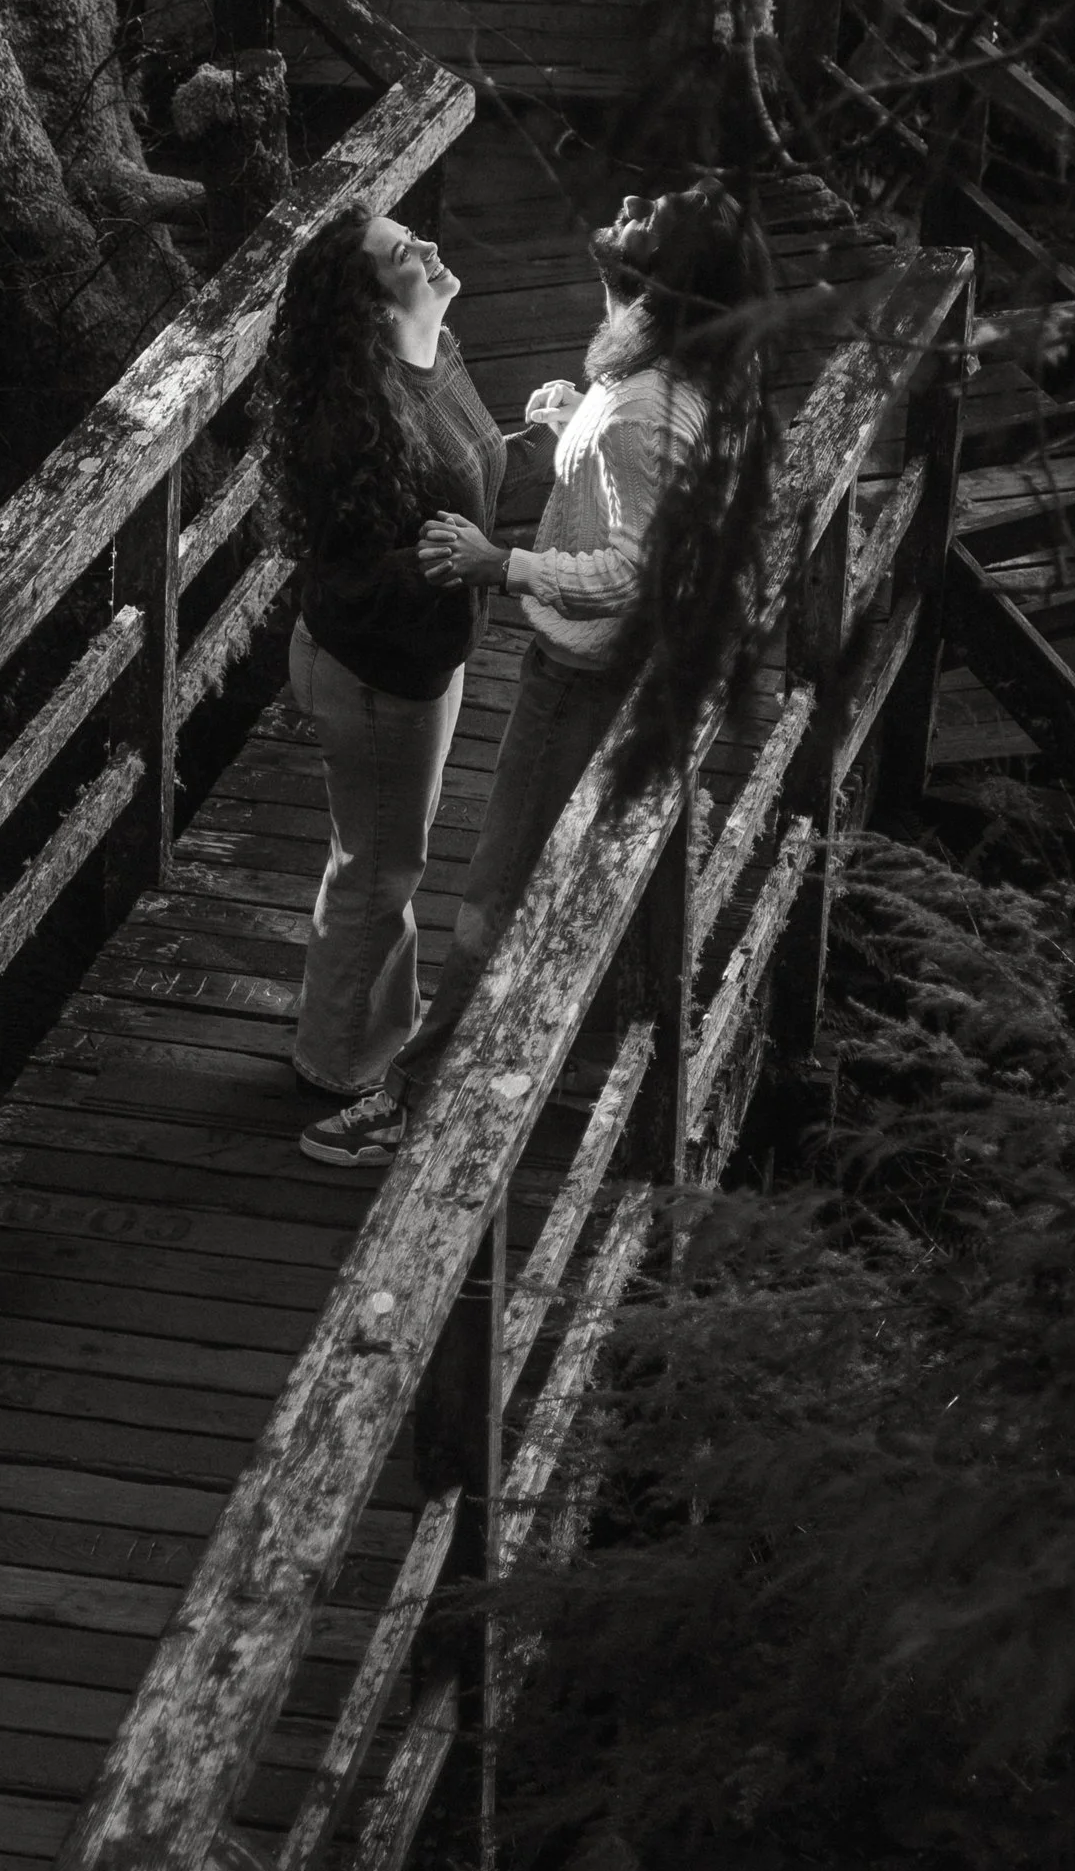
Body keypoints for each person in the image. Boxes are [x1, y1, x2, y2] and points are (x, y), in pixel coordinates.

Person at [299, 185, 748, 1173]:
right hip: (607, 669)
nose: (628, 197)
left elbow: (631, 567)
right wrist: (570, 429)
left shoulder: (643, 408)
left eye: (653, 212)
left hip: (583, 673)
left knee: (493, 897)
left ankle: (406, 1102)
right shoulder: (664, 379)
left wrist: (501, 566)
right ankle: (602, 1058)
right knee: (580, 876)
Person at [268, 206, 508, 1107]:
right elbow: (344, 580)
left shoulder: (434, 351)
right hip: (372, 674)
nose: (434, 248)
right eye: (406, 252)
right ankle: (338, 1068)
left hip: (425, 659)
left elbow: (459, 473)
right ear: (371, 308)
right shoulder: (353, 422)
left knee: (384, 861)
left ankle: (374, 1034)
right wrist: (448, 561)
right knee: (377, 872)